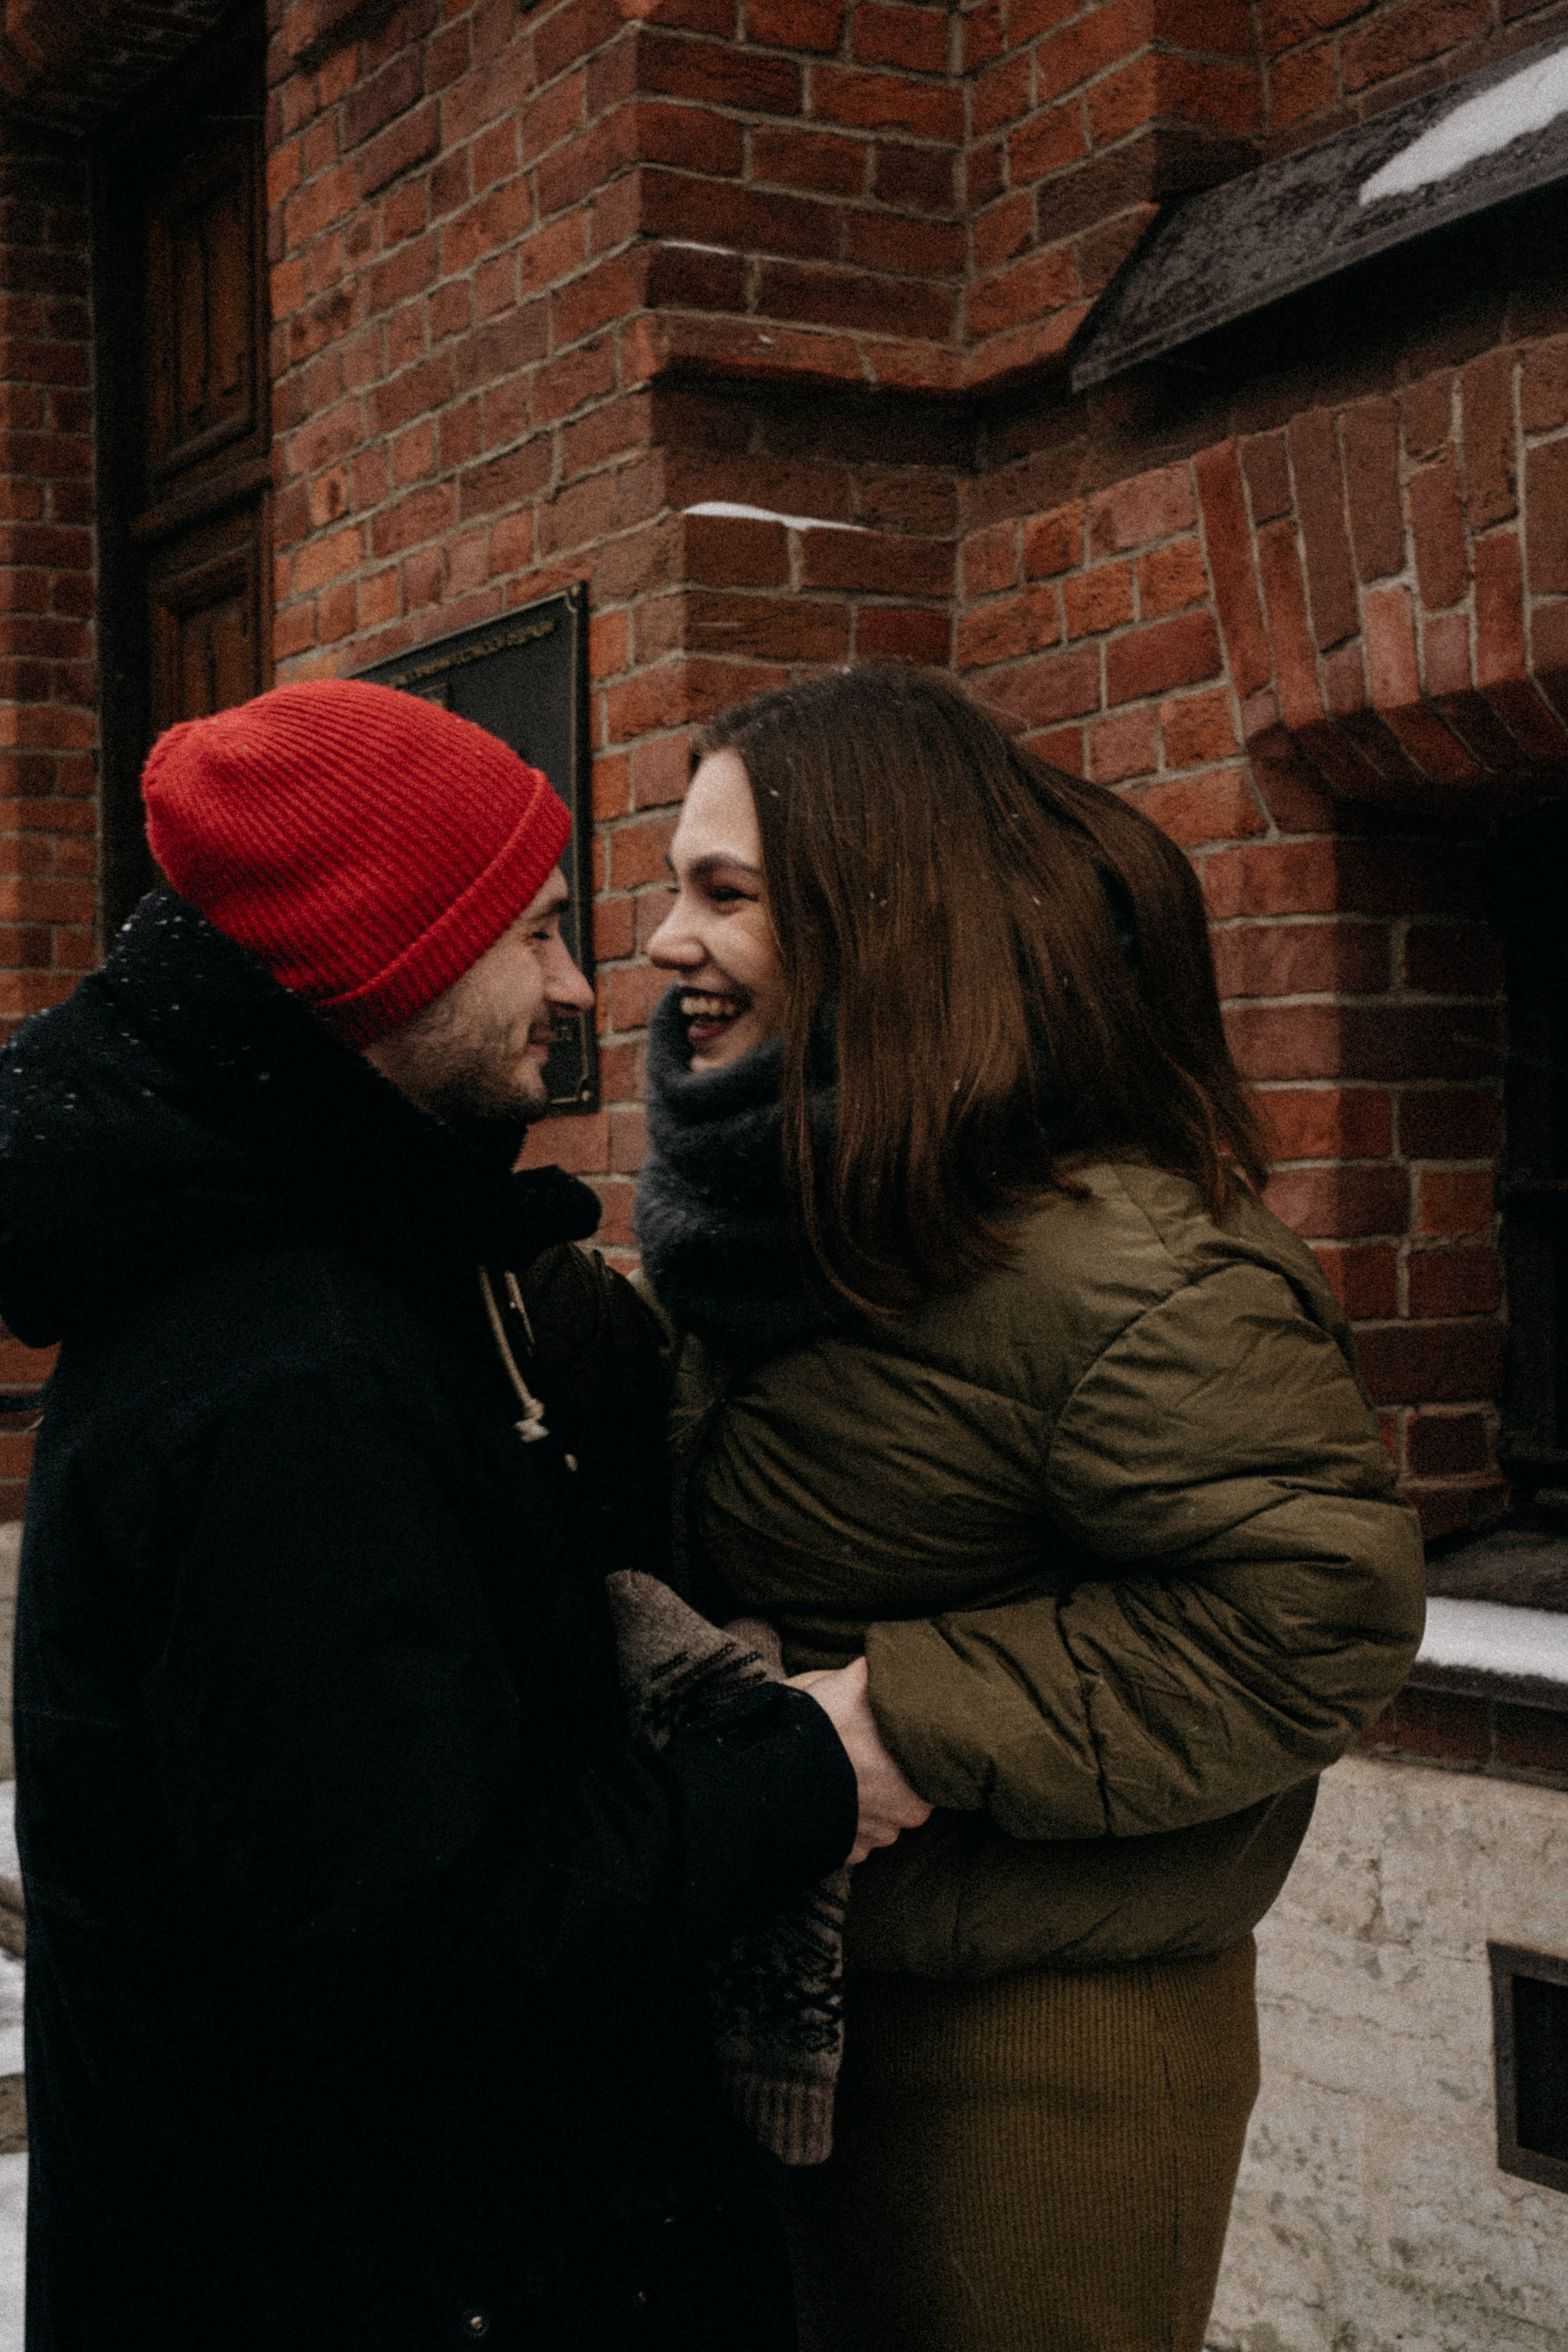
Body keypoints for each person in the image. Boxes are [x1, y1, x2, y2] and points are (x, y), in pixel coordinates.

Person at [0, 678, 925, 2352]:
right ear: (386, 961)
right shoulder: (299, 1377)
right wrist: (802, 1767)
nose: (585, 982)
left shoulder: (291, 1286)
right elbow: (431, 1957)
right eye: (542, 931)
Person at [636, 665, 1427, 2352]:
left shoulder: (1116, 1262)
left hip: (1039, 2065)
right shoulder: (788, 1211)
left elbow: (1319, 1618)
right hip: (809, 2006)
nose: (662, 943)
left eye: (724, 894)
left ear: (871, 921)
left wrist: (899, 1715)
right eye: (668, 888)